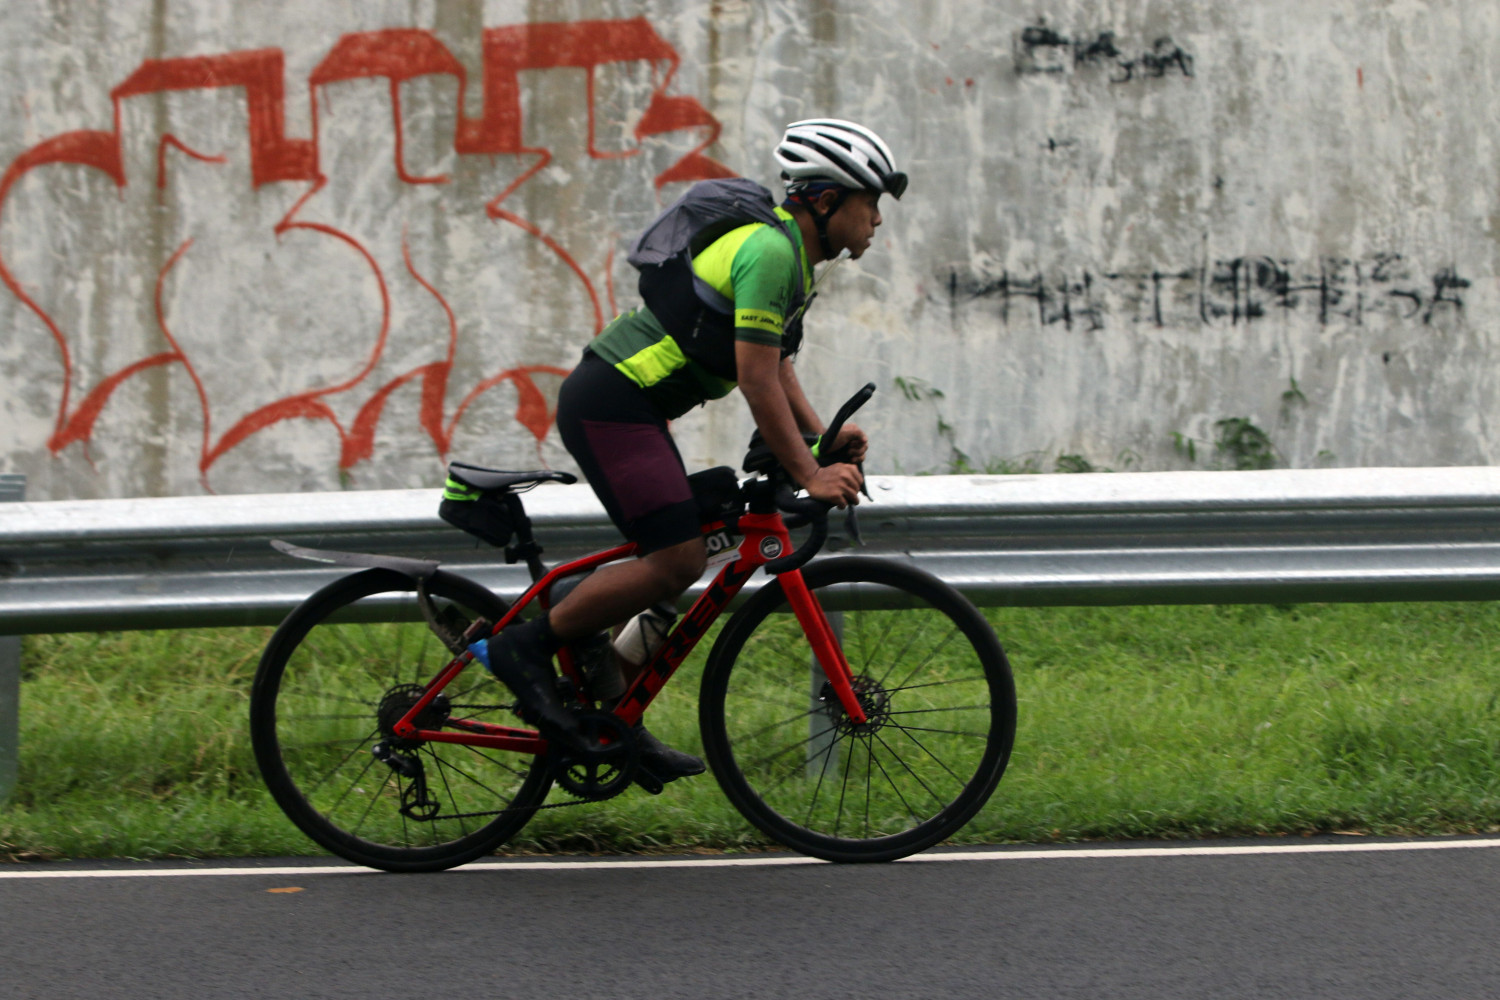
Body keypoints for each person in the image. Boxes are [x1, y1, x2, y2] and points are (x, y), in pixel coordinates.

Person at [473, 119, 907, 783]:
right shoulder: (771, 252)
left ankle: (613, 716)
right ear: (826, 200)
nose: (876, 219)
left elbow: (778, 365)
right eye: (869, 202)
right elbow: (755, 379)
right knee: (675, 559)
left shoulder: (791, 258)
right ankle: (524, 648)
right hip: (613, 404)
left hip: (634, 409)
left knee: (701, 535)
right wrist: (812, 472)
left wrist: (820, 443)